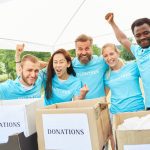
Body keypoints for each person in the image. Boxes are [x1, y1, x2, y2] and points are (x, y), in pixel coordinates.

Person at [105, 13, 150, 110]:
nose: (142, 37)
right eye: (138, 35)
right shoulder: (138, 52)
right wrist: (112, 23)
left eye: (146, 33)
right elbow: (122, 39)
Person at [102, 43, 145, 114]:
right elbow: (104, 97)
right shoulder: (106, 76)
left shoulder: (133, 66)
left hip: (138, 111)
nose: (109, 58)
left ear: (118, 53)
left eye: (111, 54)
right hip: (116, 114)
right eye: (105, 56)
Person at [72, 34, 108, 100]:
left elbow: (117, 62)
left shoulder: (101, 61)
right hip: (80, 107)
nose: (83, 52)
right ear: (75, 50)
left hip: (100, 106)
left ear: (91, 48)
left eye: (87, 48)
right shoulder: (71, 65)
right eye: (80, 49)